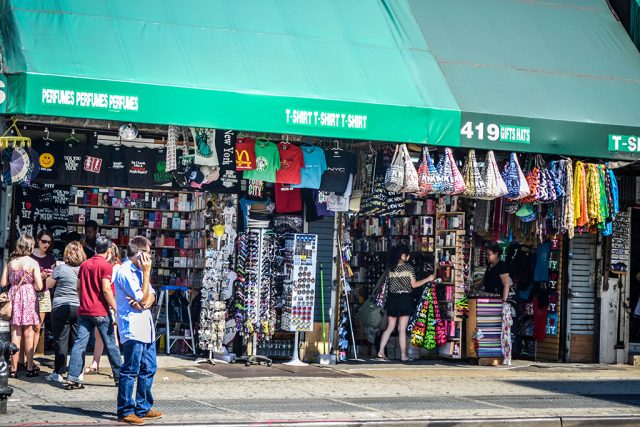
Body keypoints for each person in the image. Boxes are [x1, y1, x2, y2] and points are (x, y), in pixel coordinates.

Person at [114, 236, 161, 425]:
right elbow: (143, 298)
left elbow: (150, 297)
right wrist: (147, 275)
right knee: (131, 369)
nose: (151, 257)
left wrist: (144, 303)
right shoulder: (125, 272)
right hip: (133, 327)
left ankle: (142, 407)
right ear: (140, 253)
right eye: (149, 252)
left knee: (149, 367)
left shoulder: (139, 271)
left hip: (146, 327)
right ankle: (125, 410)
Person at [65, 236, 121, 390]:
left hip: (84, 311)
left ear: (95, 249)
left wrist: (83, 300)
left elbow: (78, 287)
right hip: (101, 312)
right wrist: (116, 308)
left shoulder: (84, 265)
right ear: (109, 251)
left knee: (79, 344)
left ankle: (72, 377)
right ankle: (119, 377)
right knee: (111, 345)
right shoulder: (106, 266)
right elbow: (106, 289)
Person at [377, 244, 435, 362]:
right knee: (401, 329)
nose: (408, 258)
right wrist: (428, 279)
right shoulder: (408, 268)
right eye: (407, 256)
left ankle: (381, 351)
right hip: (404, 299)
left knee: (389, 328)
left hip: (392, 299)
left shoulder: (390, 268)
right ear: (403, 255)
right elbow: (414, 285)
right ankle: (403, 355)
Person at [1, 235, 44, 378]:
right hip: (29, 297)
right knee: (29, 333)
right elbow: (39, 286)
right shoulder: (33, 263)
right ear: (30, 246)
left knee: (15, 333)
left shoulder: (10, 262)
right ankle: (30, 367)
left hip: (14, 297)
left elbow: (3, 283)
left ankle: (13, 369)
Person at [45, 241, 86, 383]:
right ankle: (78, 372)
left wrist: (49, 274)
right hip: (79, 307)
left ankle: (59, 373)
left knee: (60, 340)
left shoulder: (60, 269)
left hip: (61, 307)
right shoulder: (84, 269)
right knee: (78, 341)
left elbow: (48, 285)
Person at [84, 243, 121, 377]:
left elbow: (107, 285)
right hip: (103, 302)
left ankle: (115, 368)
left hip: (111, 301)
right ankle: (95, 363)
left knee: (112, 335)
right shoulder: (107, 266)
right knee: (98, 334)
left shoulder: (116, 267)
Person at [23, 230, 56, 372]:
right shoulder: (29, 257)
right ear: (37, 240)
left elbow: (51, 282)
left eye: (49, 242)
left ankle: (31, 358)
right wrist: (38, 276)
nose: (46, 244)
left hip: (44, 294)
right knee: (26, 327)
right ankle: (22, 358)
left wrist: (46, 277)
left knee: (38, 327)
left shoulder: (51, 258)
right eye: (44, 241)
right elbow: (22, 278)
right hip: (30, 293)